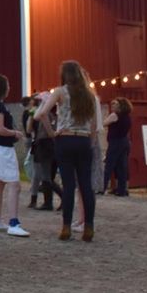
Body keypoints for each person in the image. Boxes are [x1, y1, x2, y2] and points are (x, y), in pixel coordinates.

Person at [33, 60, 103, 242]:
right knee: (85, 185)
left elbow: (41, 114)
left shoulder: (60, 92)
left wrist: (52, 133)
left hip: (65, 138)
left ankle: (66, 227)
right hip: (84, 139)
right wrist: (91, 141)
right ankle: (89, 226)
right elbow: (95, 124)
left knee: (69, 184)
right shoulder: (89, 94)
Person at [0, 74, 30, 237]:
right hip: (2, 149)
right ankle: (13, 222)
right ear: (3, 88)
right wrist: (15, 133)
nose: (10, 88)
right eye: (8, 85)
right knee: (14, 185)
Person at [27, 93, 61, 211]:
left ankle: (52, 201)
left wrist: (43, 104)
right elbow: (33, 120)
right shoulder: (51, 114)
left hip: (46, 144)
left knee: (46, 175)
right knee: (46, 176)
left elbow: (39, 117)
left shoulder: (47, 115)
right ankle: (50, 201)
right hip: (46, 145)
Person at [103, 97, 133, 196]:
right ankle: (122, 190)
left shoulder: (114, 115)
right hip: (124, 141)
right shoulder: (127, 116)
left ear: (121, 106)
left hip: (115, 142)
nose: (112, 106)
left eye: (115, 104)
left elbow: (104, 123)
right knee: (122, 166)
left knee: (109, 164)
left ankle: (102, 187)